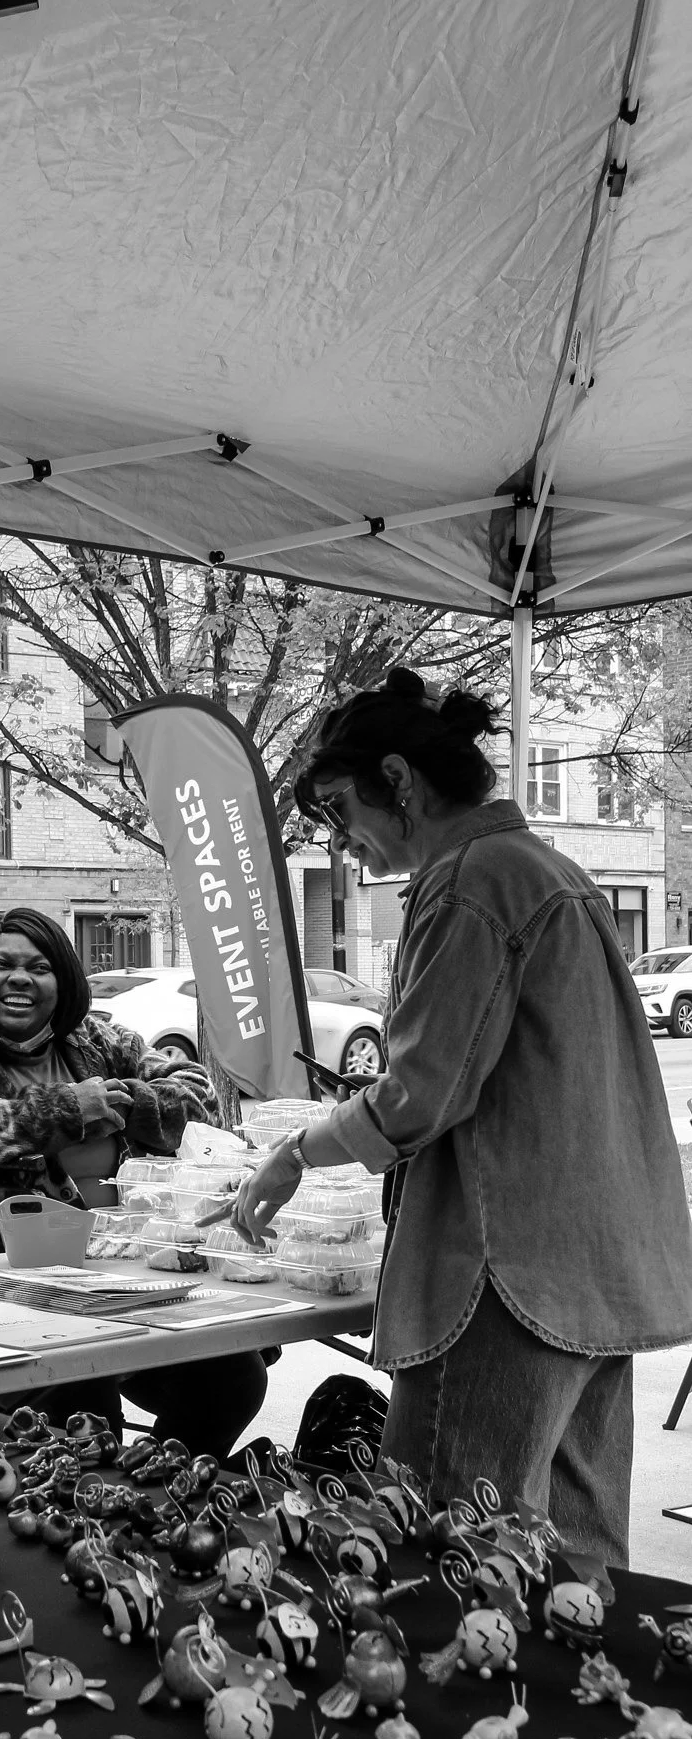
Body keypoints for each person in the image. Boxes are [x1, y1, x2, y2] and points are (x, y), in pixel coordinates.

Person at [234, 667, 692, 1574]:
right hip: (592, 1267)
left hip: (504, 1276)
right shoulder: (548, 870)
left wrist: (294, 1152)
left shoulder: (472, 881)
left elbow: (419, 1095)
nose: (338, 841)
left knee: (448, 1556)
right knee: (573, 1571)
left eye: (337, 809)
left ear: (398, 782)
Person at [0, 905, 269, 1457]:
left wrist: (134, 1102)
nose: (20, 978)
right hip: (6, 1292)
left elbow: (200, 1099)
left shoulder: (90, 1041)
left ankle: (162, 1484)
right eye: (3, 964)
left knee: (234, 1377)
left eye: (39, 967)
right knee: (85, 1410)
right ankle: (90, 1503)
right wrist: (63, 1110)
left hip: (125, 1280)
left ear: (62, 982)